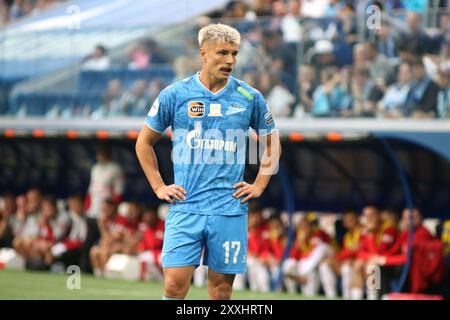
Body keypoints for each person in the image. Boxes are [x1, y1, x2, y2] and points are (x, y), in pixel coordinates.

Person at [135, 23, 281, 300]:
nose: (229, 61)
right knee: (174, 286)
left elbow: (273, 141)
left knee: (221, 291)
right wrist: (158, 186)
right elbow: (143, 142)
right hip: (185, 206)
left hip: (229, 210)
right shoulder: (175, 94)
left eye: (234, 54)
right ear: (203, 54)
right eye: (222, 53)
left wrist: (260, 183)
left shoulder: (250, 97)